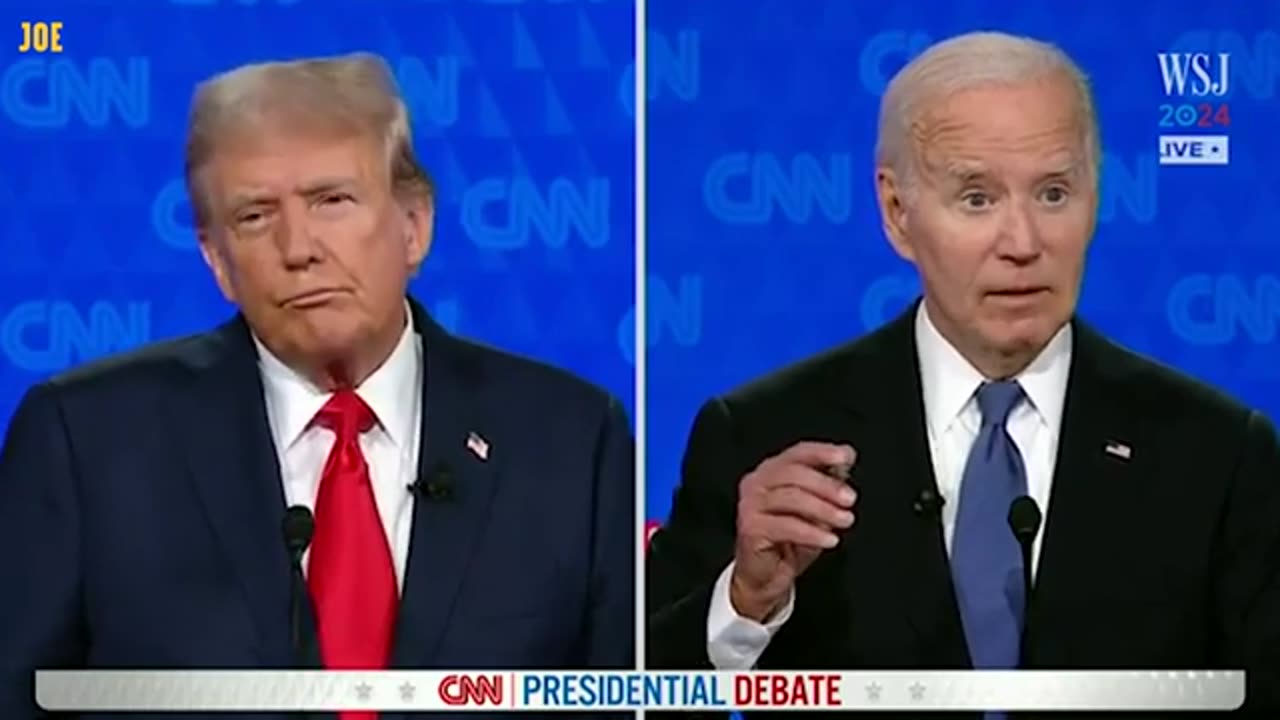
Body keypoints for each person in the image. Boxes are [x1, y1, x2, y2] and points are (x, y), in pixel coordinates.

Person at [646, 31, 1280, 716]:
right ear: (897, 213)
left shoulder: (1218, 454)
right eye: (977, 198)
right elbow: (641, 692)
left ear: (1095, 198)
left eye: (1054, 193)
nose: (1024, 243)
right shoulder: (762, 435)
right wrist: (745, 601)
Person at [0, 53, 634, 717]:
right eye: (254, 216)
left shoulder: (572, 440)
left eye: (332, 200)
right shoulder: (87, 442)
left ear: (414, 225)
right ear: (217, 260)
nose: (298, 248)